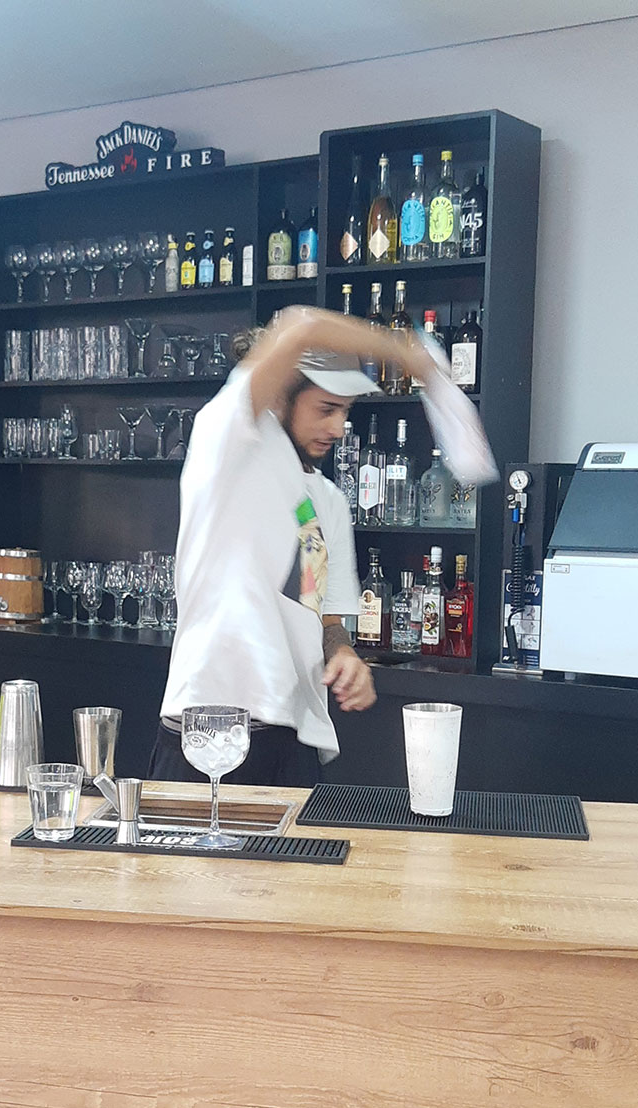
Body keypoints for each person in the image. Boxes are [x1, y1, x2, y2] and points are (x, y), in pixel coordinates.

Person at [146, 304, 452, 787]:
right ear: (279, 398)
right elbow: (300, 327)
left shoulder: (328, 501)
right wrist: (404, 352)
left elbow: (325, 618)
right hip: (208, 733)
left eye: (345, 412)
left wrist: (344, 654)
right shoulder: (226, 441)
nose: (337, 428)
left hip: (293, 738)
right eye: (325, 409)